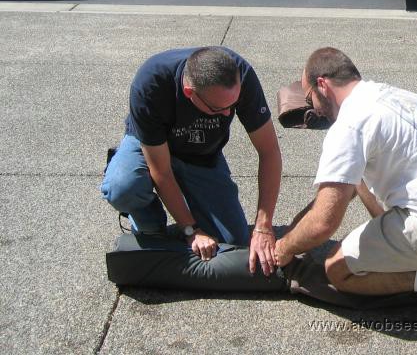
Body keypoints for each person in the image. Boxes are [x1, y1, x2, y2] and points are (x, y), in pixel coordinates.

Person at [274, 48, 417, 320]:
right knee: (358, 181)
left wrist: (283, 249)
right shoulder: (391, 96)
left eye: (309, 98)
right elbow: (338, 192)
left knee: (337, 269)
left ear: (322, 84)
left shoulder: (350, 125)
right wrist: (291, 231)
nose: (313, 109)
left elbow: (324, 222)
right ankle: (408, 255)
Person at [101, 46, 283, 275]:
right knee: (123, 186)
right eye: (219, 108)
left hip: (202, 154)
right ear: (189, 92)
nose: (228, 114)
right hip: (151, 148)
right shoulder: (151, 83)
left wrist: (263, 227)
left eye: (232, 106)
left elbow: (269, 151)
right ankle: (149, 223)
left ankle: (186, 213)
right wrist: (191, 230)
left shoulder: (240, 73)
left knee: (233, 241)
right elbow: (162, 171)